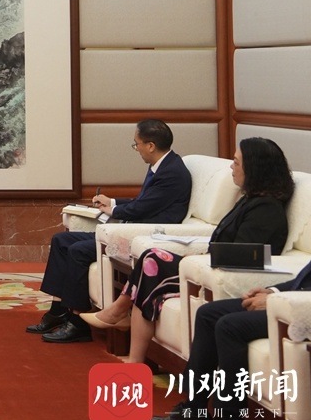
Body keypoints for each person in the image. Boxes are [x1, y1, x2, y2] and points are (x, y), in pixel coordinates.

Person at [82, 137, 292, 364]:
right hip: (207, 264)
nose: (231, 167)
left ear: (254, 169)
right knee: (150, 259)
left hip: (219, 272)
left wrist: (203, 259)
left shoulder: (266, 208)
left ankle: (122, 321)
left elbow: (246, 254)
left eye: (236, 162)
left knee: (152, 261)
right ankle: (126, 333)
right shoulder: (251, 199)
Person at [28, 119, 192, 343]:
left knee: (77, 251)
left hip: (143, 235)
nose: (137, 149)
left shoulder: (172, 173)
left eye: (137, 144)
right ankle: (58, 311)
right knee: (61, 240)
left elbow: (143, 208)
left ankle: (77, 324)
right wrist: (112, 202)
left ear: (151, 145)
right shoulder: (162, 165)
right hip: (130, 228)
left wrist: (113, 210)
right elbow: (144, 201)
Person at [148, 252, 311, 420]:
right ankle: (194, 410)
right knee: (208, 314)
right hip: (292, 302)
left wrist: (276, 301)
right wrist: (272, 292)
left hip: (302, 310)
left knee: (230, 327)